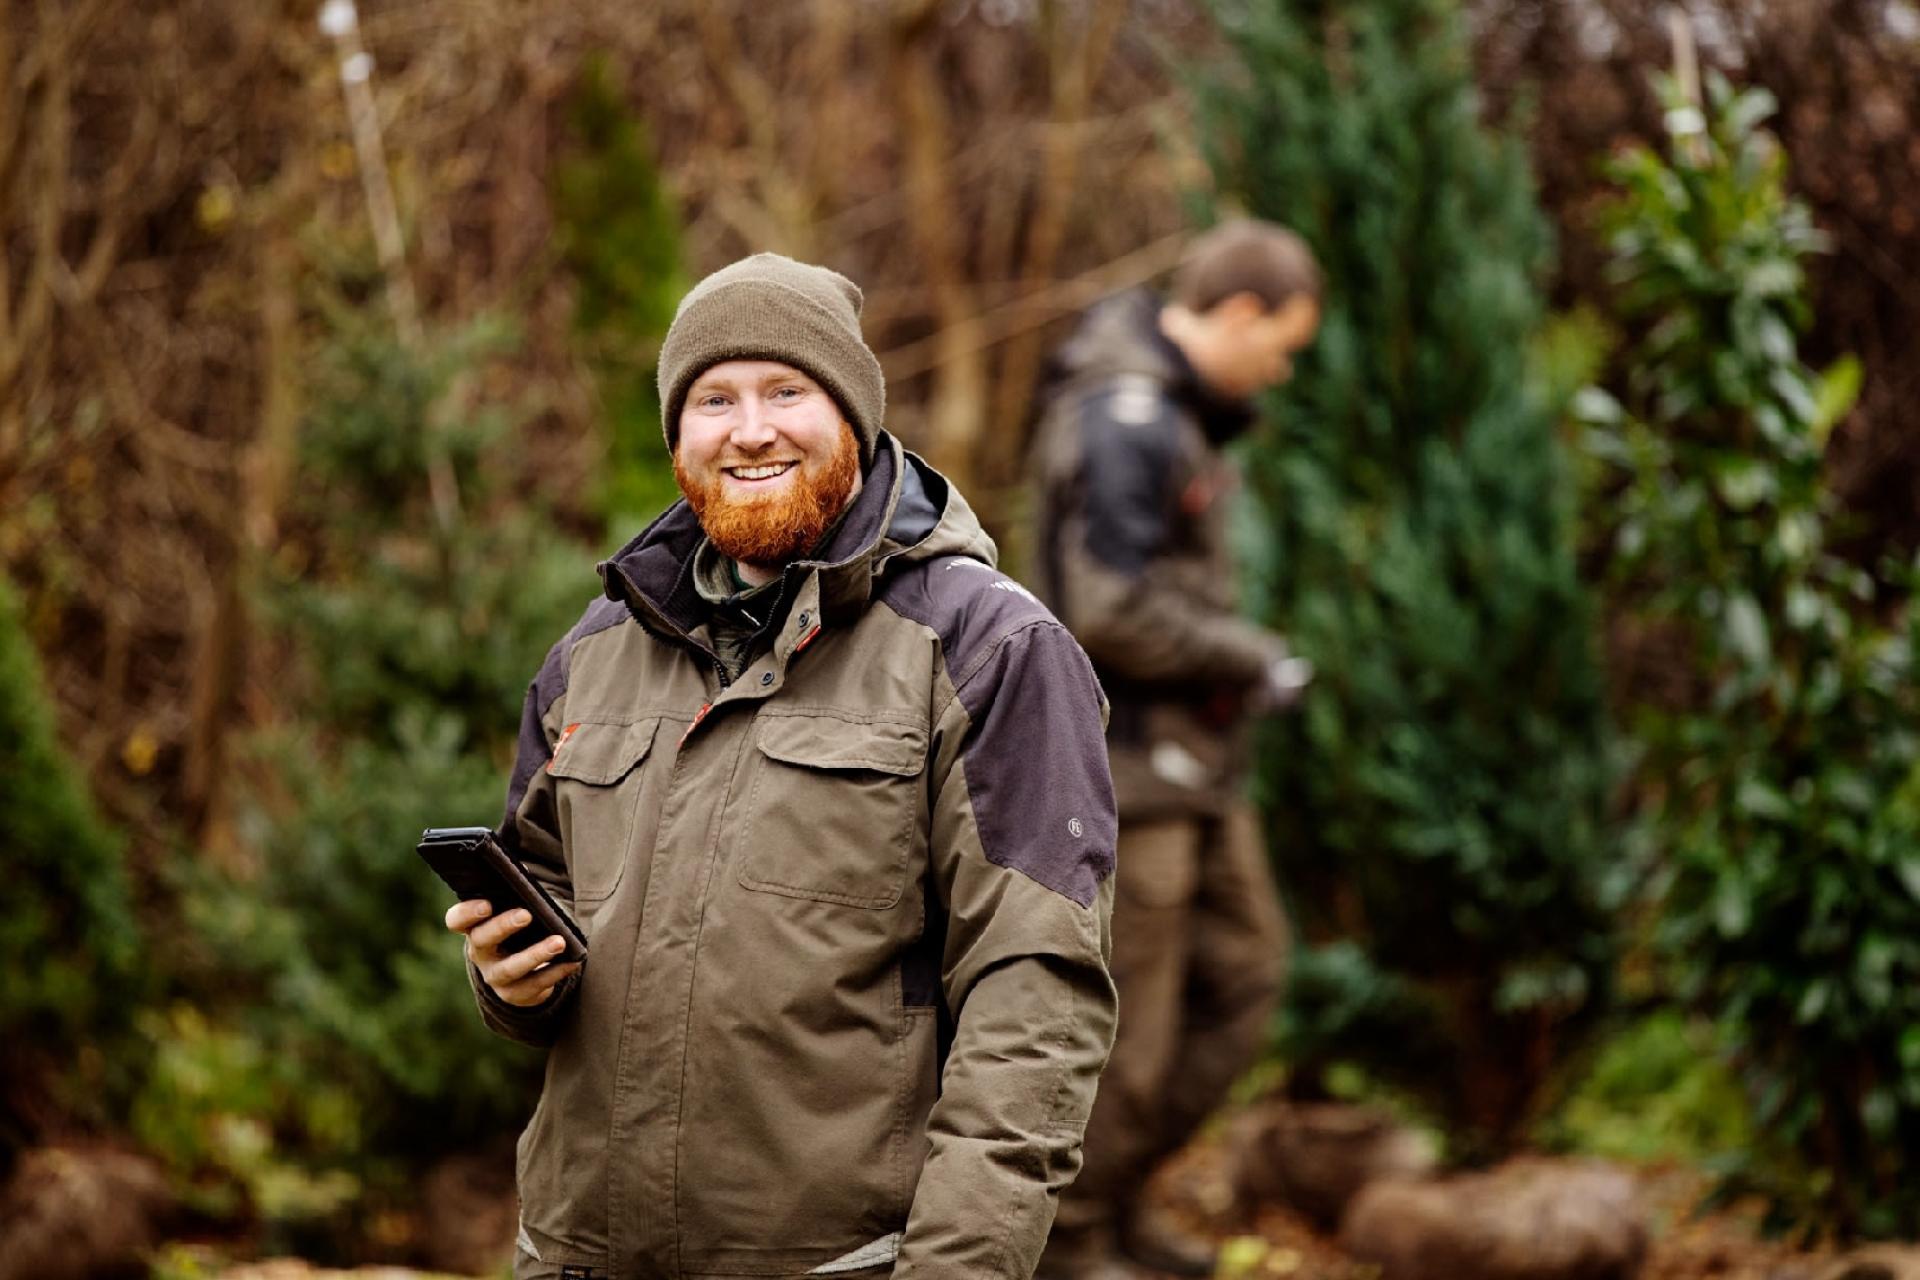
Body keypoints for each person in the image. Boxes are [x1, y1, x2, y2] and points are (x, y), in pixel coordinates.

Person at [445, 253, 1119, 1280]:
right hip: (574, 1255)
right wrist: (510, 980)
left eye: (786, 391)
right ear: (678, 434)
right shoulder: (596, 652)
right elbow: (550, 926)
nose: (749, 428)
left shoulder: (988, 650)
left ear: (853, 415)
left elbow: (1035, 1001)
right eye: (713, 398)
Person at [1027, 219, 1322, 1280]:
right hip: (1133, 768)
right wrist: (1249, 656)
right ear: (1239, 313)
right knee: (1133, 1029)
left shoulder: (1177, 414)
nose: (1278, 371)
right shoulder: (1123, 416)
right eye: (1279, 346)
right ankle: (1071, 1240)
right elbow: (1106, 607)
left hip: (1199, 764)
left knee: (1247, 974)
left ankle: (1114, 1198)